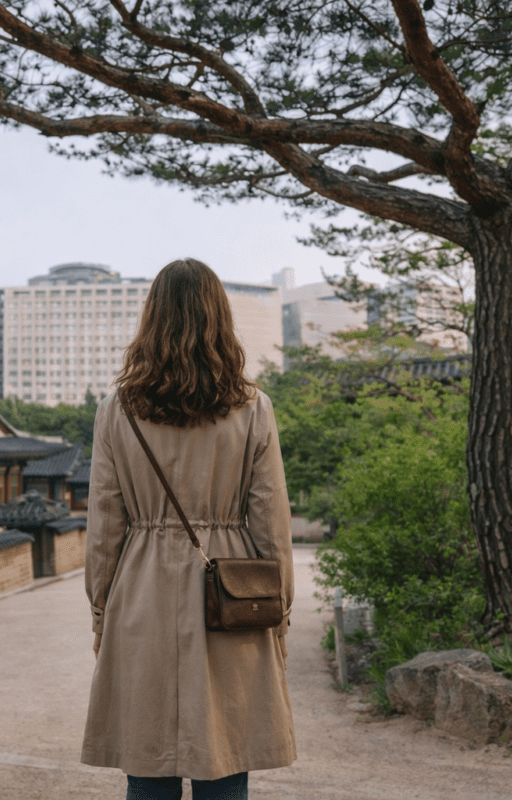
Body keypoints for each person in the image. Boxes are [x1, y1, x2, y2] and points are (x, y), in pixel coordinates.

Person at [81, 258, 296, 800]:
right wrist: (280, 608)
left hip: (142, 587)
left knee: (147, 760)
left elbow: (106, 522)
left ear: (151, 319)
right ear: (220, 318)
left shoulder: (118, 408)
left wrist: (102, 608)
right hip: (230, 588)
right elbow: (271, 519)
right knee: (225, 754)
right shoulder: (252, 407)